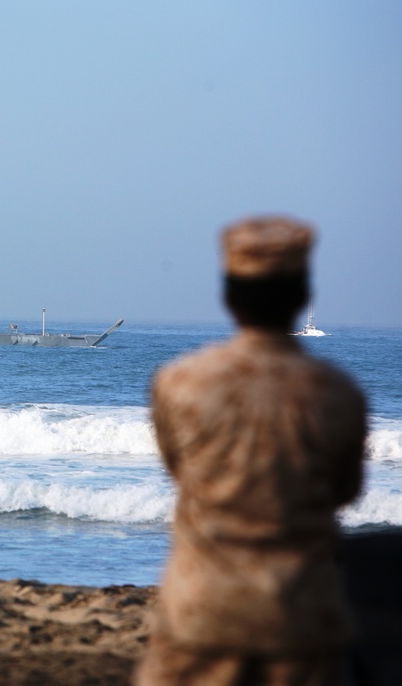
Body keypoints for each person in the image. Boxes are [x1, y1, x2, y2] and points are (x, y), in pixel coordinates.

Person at [134, 217, 367, 686]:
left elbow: (180, 472)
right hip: (300, 619)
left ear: (228, 297)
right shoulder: (338, 392)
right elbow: (344, 491)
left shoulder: (180, 382)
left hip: (202, 614)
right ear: (302, 297)